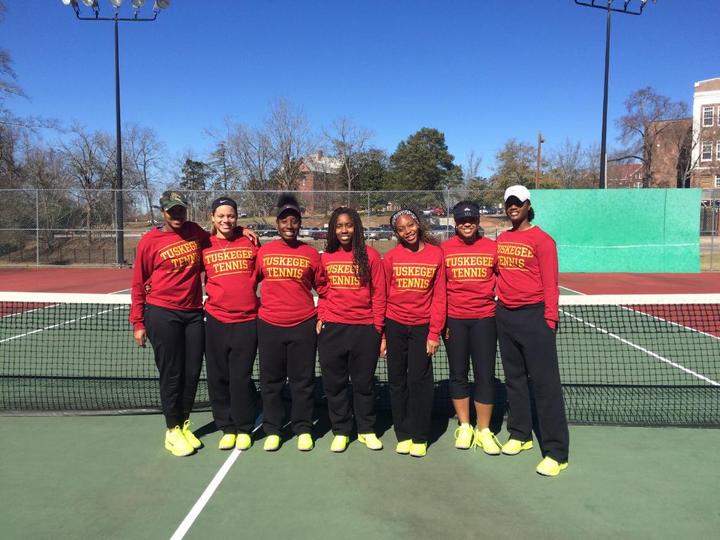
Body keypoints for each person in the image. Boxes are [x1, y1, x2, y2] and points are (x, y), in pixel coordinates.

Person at [130, 190, 256, 457]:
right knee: (172, 373)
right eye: (172, 211)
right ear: (163, 213)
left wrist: (243, 228)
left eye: (181, 210)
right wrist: (138, 322)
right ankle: (171, 430)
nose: (177, 215)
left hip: (194, 315)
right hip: (163, 313)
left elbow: (225, 228)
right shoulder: (149, 241)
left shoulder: (196, 233)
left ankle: (183, 423)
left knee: (191, 373)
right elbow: (139, 283)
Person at [495, 185, 569, 477]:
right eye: (509, 203)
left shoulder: (543, 241)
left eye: (518, 202)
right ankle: (520, 434)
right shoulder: (501, 239)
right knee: (514, 380)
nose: (513, 207)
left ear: (528, 206)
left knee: (545, 385)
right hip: (505, 317)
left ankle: (556, 452)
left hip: (535, 318)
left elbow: (551, 284)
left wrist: (549, 321)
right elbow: (497, 275)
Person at [256, 194, 323, 452]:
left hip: (303, 324)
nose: (289, 225)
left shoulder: (310, 254)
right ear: (277, 223)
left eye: (294, 221)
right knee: (271, 381)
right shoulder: (264, 251)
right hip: (270, 324)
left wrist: (323, 315)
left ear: (299, 224)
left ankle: (303, 427)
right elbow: (249, 282)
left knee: (302, 380)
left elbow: (324, 289)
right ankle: (273, 429)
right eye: (284, 220)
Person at [316, 207, 386, 453]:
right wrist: (322, 316)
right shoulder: (325, 257)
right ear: (333, 230)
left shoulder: (371, 256)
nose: (344, 230)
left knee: (363, 384)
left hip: (364, 329)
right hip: (333, 329)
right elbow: (323, 291)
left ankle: (366, 430)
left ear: (356, 227)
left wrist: (379, 330)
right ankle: (341, 430)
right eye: (339, 226)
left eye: (348, 225)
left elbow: (379, 295)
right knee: (334, 384)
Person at [383, 209, 446, 458]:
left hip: (422, 328)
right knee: (397, 381)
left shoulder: (436, 255)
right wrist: (383, 335)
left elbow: (440, 297)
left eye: (410, 225)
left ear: (418, 225)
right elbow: (383, 296)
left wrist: (434, 333)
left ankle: (420, 436)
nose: (407, 231)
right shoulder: (390, 258)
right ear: (396, 233)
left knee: (419, 382)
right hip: (395, 325)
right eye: (401, 228)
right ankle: (404, 434)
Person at [441, 201, 501, 454]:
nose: (467, 224)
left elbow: (504, 279)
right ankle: (465, 425)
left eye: (472, 220)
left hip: (485, 319)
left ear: (478, 222)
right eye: (462, 220)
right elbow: (439, 289)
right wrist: (441, 322)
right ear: (455, 222)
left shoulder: (492, 248)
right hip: (454, 320)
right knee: (458, 374)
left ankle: (483, 430)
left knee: (485, 375)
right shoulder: (444, 249)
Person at [202, 196, 259, 451]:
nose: (226, 220)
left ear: (237, 217)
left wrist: (245, 232)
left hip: (248, 321)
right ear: (213, 218)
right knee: (218, 377)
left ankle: (244, 427)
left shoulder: (250, 242)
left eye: (231, 215)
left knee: (240, 377)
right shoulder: (203, 244)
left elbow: (264, 269)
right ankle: (226, 426)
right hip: (215, 320)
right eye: (221, 216)